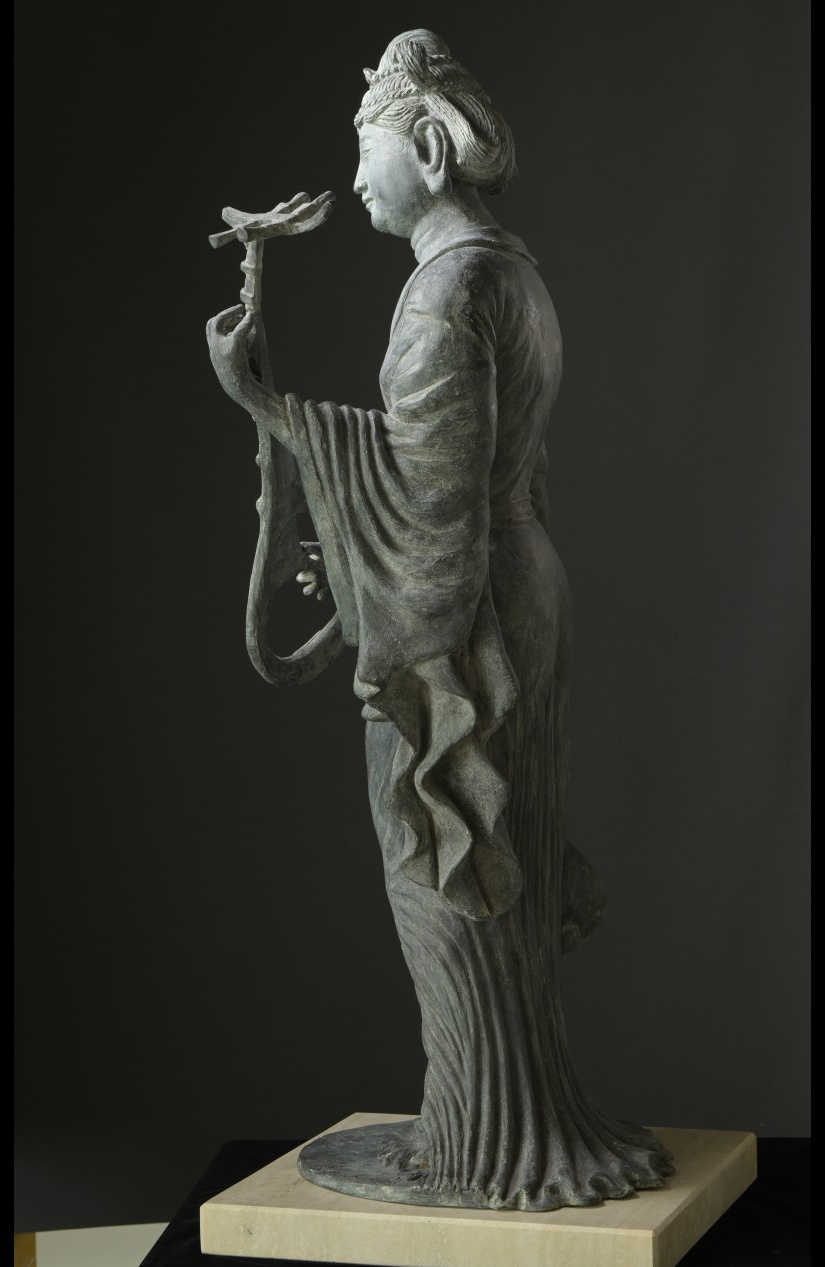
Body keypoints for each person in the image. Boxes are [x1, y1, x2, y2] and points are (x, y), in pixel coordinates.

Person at [207, 28, 672, 1211]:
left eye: (366, 147)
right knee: (496, 864)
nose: (355, 177)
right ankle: (503, 1118)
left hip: (464, 612)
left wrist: (270, 408)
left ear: (425, 147)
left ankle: (489, 1142)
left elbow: (428, 502)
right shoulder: (512, 271)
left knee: (451, 869)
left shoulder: (448, 289)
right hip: (522, 583)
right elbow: (459, 471)